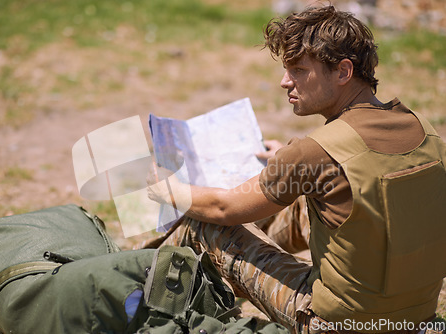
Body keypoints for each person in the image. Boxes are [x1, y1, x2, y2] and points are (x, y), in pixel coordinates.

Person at [142, 5, 446, 334]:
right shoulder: (426, 132)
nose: (284, 82)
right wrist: (287, 167)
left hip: (335, 324)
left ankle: (134, 292)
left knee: (205, 225)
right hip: (413, 317)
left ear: (343, 72)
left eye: (299, 69)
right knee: (304, 205)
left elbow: (223, 207)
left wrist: (169, 191)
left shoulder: (313, 153)